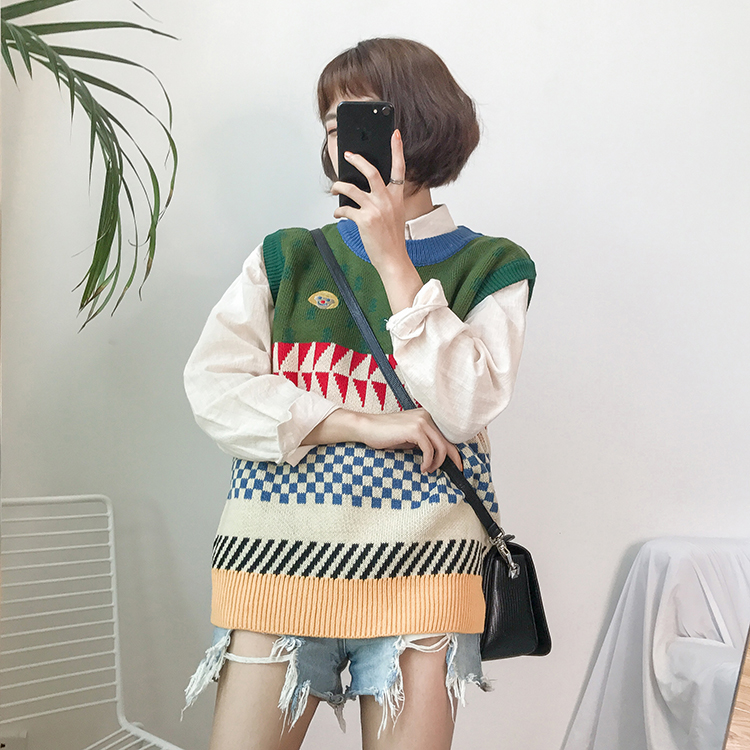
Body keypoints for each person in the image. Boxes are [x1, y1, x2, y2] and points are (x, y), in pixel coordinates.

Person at [181, 37, 536, 750]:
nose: (342, 140)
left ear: (421, 122)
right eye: (332, 125)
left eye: (361, 119)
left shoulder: (493, 264)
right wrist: (356, 422)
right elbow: (213, 389)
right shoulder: (288, 255)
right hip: (278, 562)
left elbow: (467, 407)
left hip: (425, 572)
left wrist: (393, 260)